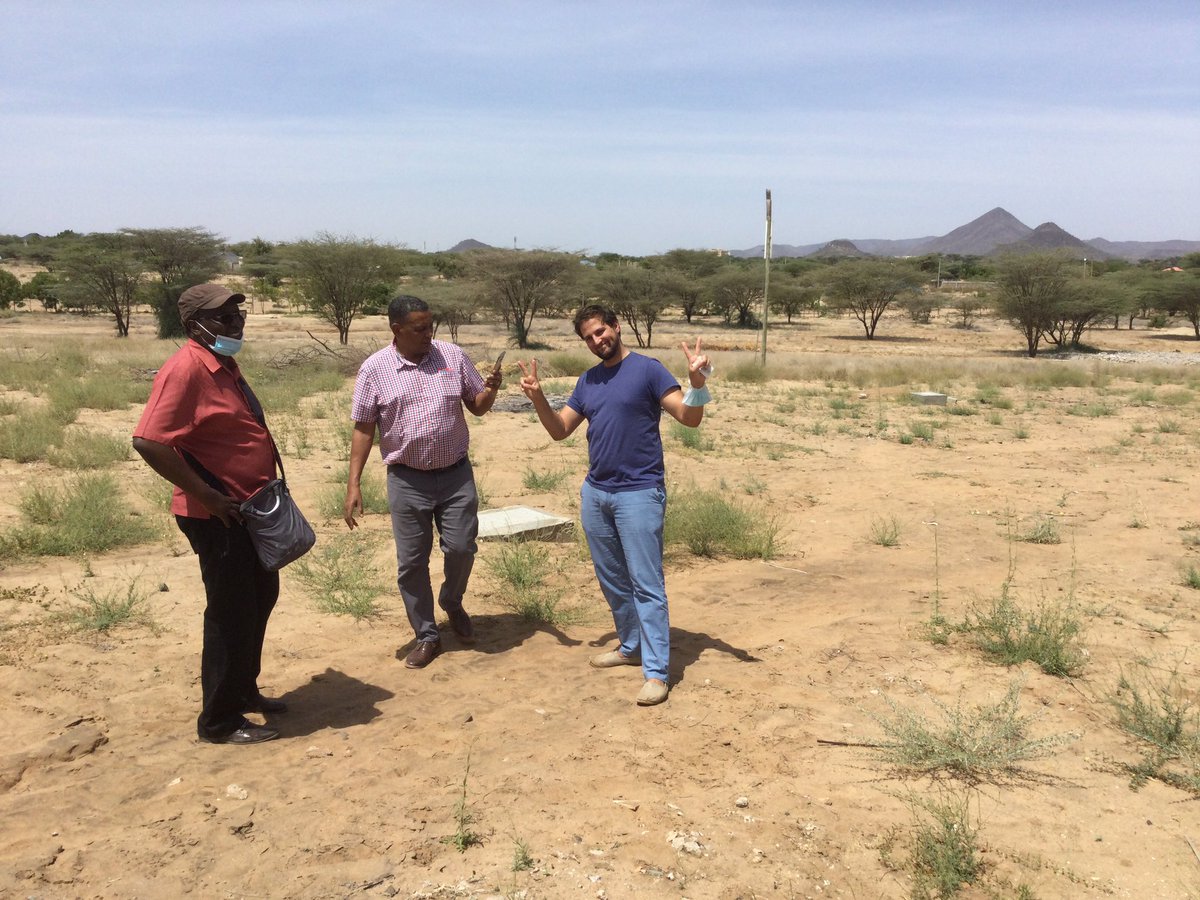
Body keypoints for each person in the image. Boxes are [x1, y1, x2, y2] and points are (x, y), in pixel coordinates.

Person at [518, 304, 711, 706]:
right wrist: (538, 399)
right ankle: (631, 646)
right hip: (597, 493)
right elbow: (560, 430)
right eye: (588, 337)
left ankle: (656, 673)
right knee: (613, 580)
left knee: (646, 584)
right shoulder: (588, 381)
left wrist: (697, 382)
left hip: (639, 493)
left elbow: (688, 418)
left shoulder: (648, 370)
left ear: (617, 327)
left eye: (601, 331)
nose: (597, 340)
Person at [132, 283, 285, 745]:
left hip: (249, 508)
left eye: (239, 316)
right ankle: (219, 721)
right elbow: (148, 441)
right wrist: (208, 496)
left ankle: (243, 690)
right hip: (217, 515)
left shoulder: (223, 364)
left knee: (261, 597)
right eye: (224, 318)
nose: (236, 324)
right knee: (230, 612)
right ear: (193, 325)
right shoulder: (186, 369)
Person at [344, 295, 502, 669]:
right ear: (397, 330)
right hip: (407, 480)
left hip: (455, 476)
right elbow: (364, 428)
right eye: (420, 328)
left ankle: (452, 600)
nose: (429, 334)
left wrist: (492, 388)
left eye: (431, 326)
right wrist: (353, 483)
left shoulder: (452, 356)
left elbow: (477, 406)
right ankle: (427, 635)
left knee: (461, 547)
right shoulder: (374, 369)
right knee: (412, 562)